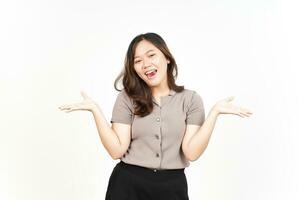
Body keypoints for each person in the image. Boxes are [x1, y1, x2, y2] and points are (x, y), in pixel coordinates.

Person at [58, 32, 253, 200]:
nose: (146, 64)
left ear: (167, 58)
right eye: (138, 60)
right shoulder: (127, 98)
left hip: (172, 187)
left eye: (151, 55)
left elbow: (191, 153)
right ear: (133, 68)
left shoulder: (191, 100)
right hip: (127, 186)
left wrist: (214, 114)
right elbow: (116, 150)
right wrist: (95, 110)